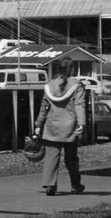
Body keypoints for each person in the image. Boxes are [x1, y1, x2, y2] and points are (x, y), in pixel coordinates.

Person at [33, 61, 87, 196]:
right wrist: (82, 123)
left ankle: (50, 185)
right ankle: (75, 185)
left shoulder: (49, 86)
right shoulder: (77, 85)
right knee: (71, 158)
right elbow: (79, 105)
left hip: (52, 126)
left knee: (51, 157)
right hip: (70, 126)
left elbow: (44, 107)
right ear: (72, 69)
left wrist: (38, 125)